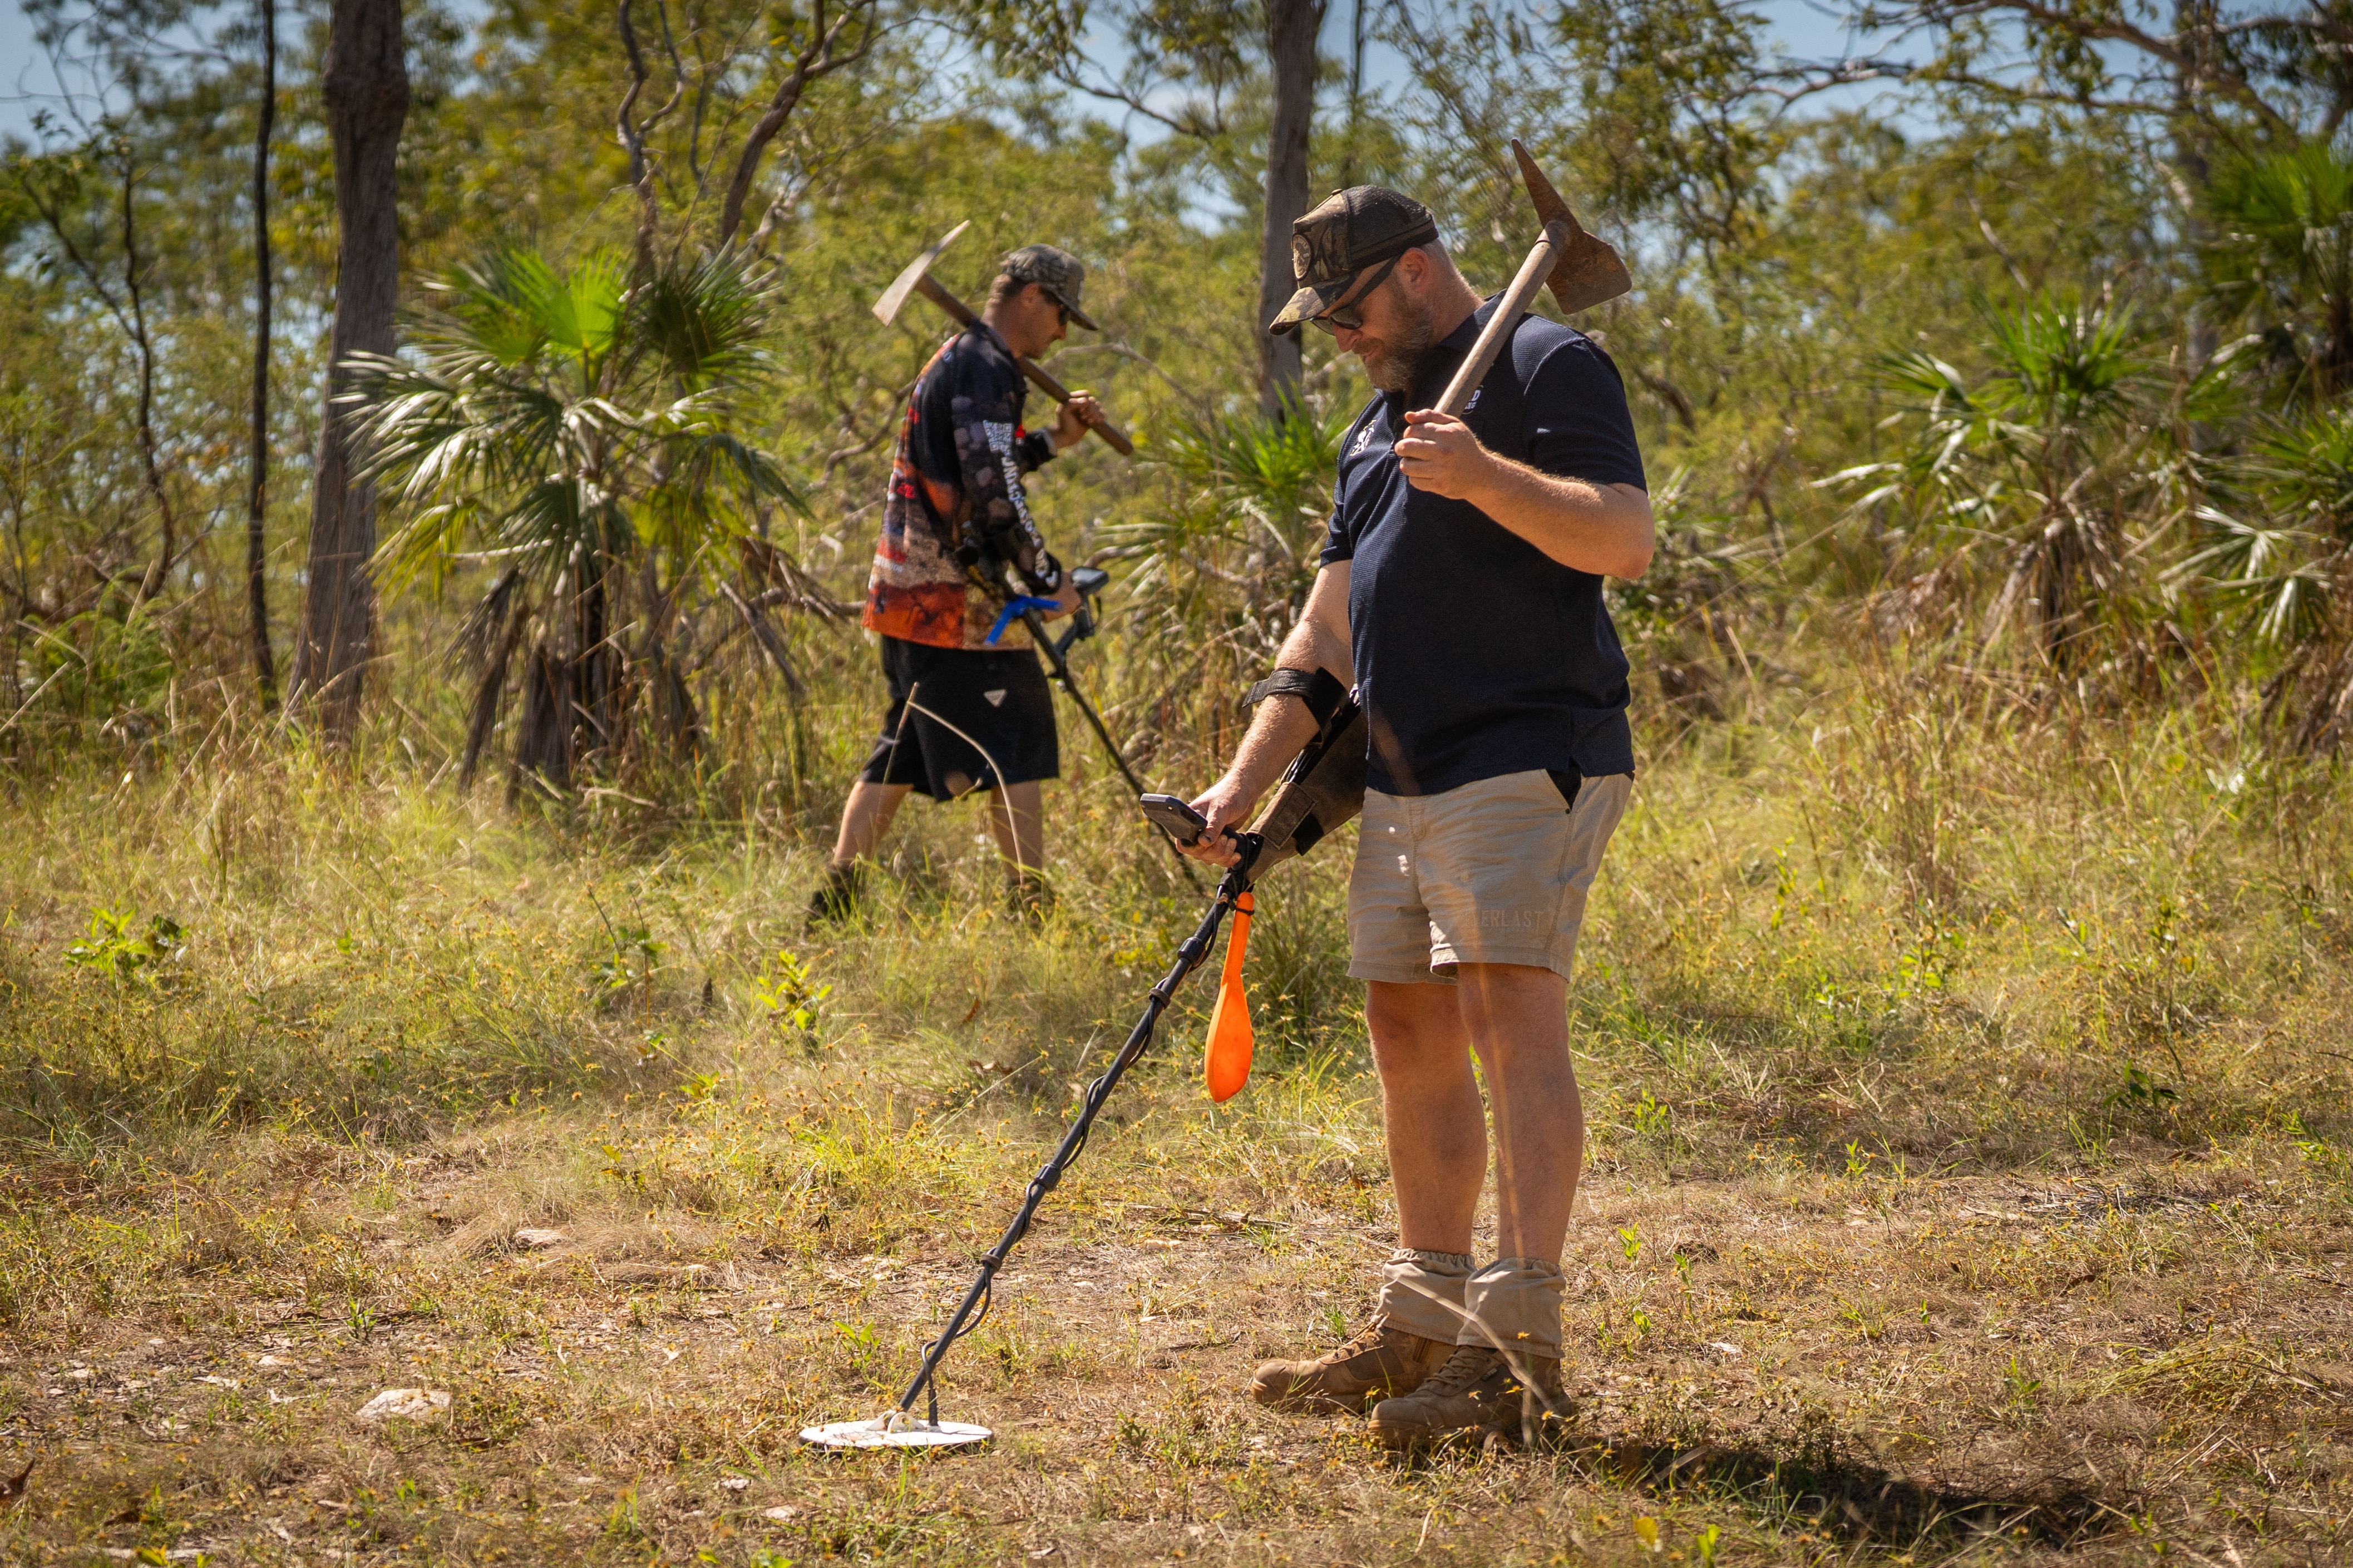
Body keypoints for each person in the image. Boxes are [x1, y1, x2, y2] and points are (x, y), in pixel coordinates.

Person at [1176, 186, 1654, 1446]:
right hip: (1398, 769)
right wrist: (1241, 782)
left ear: (1420, 269)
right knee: (1408, 1027)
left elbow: (1624, 538)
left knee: (1509, 1014)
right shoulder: (1372, 428)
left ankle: (1519, 1354)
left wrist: (1485, 474)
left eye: (1347, 308)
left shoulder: (1549, 361)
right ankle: (1421, 1326)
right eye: (1320, 316)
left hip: (1526, 748)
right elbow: (1327, 628)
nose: (1337, 333)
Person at [809, 245, 1104, 924]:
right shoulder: (980, 364)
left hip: (914, 596)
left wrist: (1053, 442)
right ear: (1031, 297)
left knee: (903, 749)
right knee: (1021, 734)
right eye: (1062, 315)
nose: (1061, 333)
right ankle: (1033, 911)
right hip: (951, 603)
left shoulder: (972, 362)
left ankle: (833, 906)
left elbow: (981, 462)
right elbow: (992, 493)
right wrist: (1048, 578)